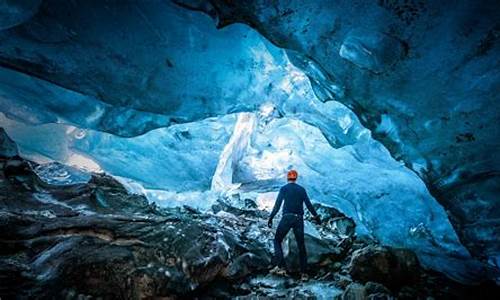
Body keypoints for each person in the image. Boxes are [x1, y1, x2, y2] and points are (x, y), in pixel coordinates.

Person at [268, 169, 321, 280]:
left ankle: (281, 267)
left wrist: (271, 217)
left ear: (287, 178)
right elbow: (309, 205)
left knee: (277, 240)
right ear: (296, 178)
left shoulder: (284, 189)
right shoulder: (301, 189)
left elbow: (277, 206)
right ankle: (304, 274)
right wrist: (316, 217)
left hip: (287, 218)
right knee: (301, 246)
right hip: (298, 219)